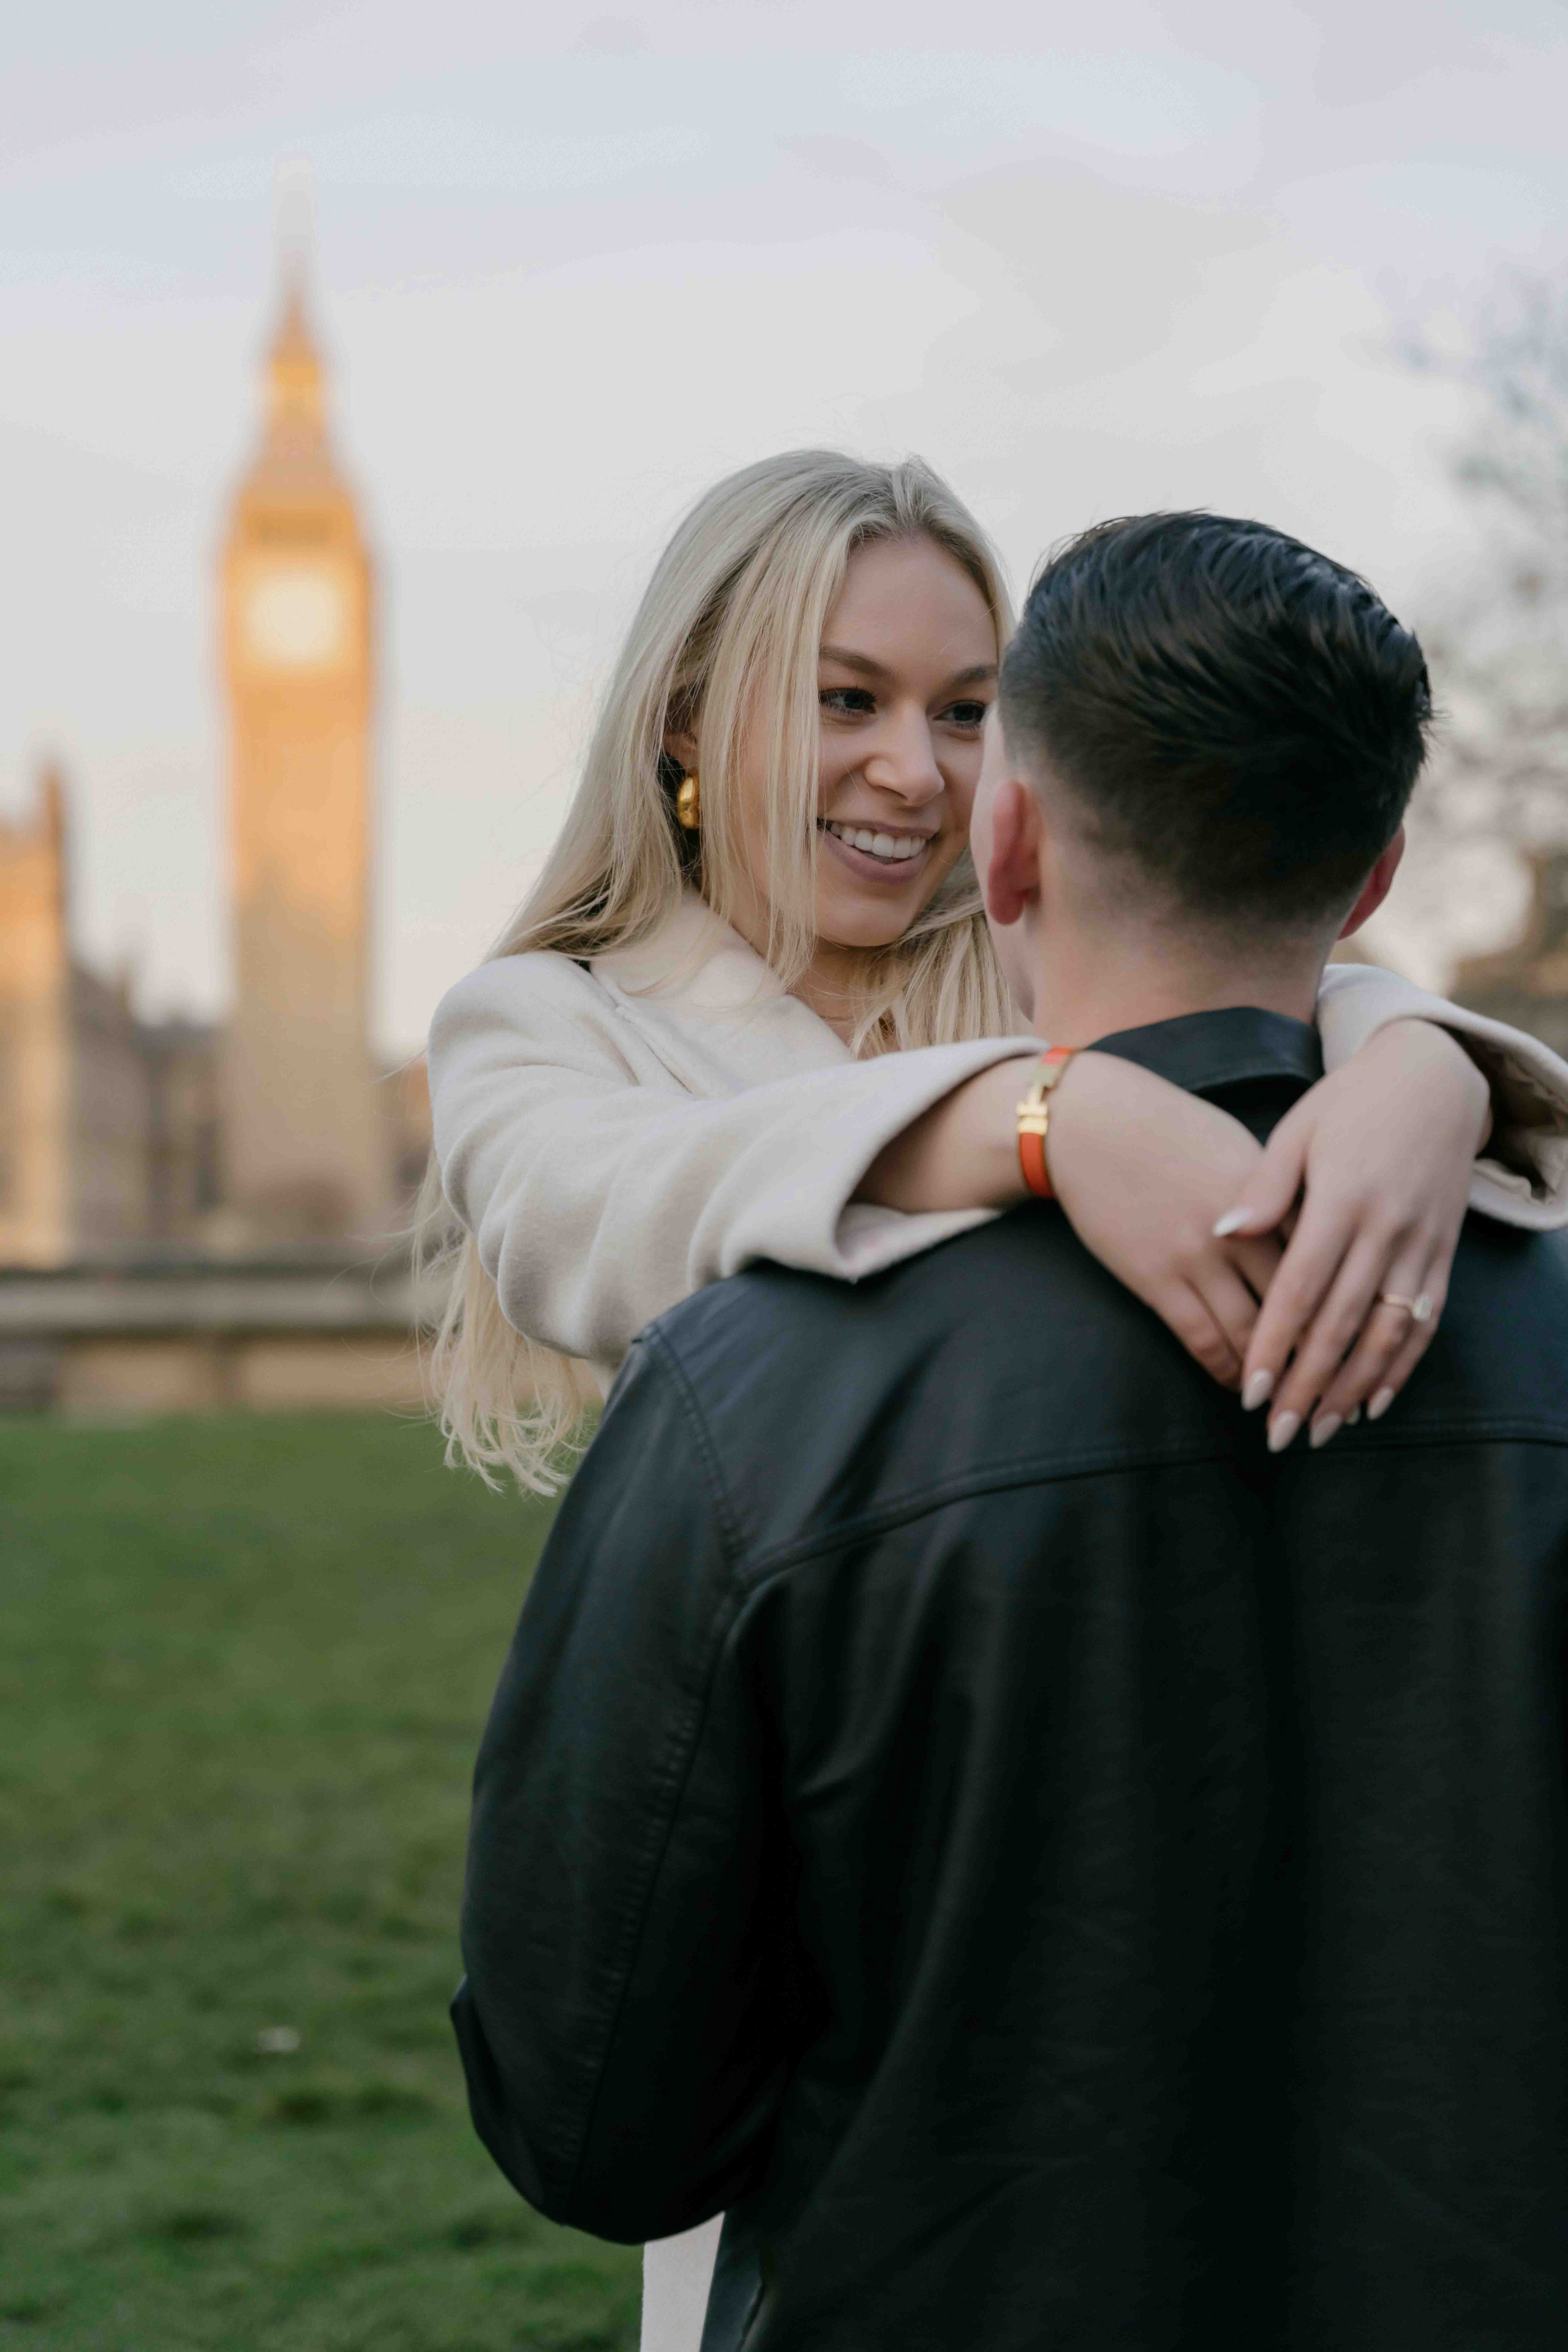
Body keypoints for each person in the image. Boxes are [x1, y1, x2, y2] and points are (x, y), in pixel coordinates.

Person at [426, 453, 1568, 2346]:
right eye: (846, 699)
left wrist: (1420, 1065)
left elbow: (1259, 931)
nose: (916, 769)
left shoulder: (1037, 956)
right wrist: (1037, 1120)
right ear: (689, 722)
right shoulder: (556, 1023)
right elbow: (603, 1215)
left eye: (968, 713)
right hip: (847, 1861)